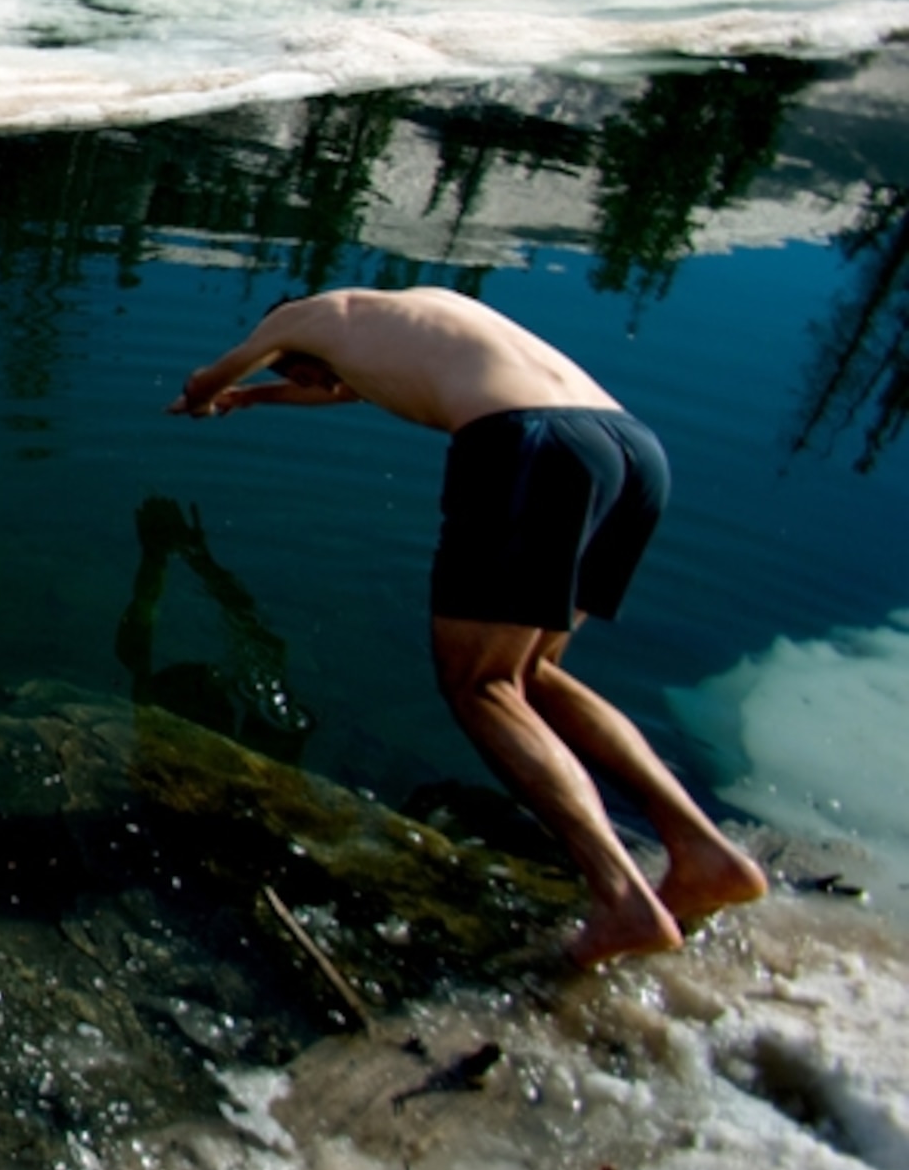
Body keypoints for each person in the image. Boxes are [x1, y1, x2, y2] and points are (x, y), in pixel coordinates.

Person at [166, 286, 766, 966]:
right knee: (531, 675)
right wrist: (255, 398)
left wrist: (205, 392)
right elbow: (344, 388)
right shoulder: (411, 313)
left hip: (530, 444)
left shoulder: (302, 312)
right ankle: (701, 851)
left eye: (295, 372)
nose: (312, 382)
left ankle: (621, 897)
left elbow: (222, 367)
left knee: (478, 687)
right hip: (627, 451)